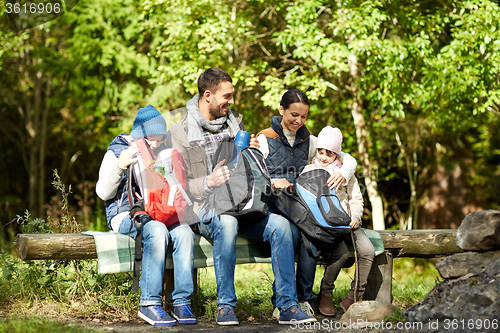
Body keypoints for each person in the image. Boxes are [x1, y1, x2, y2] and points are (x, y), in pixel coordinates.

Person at [167, 68, 316, 326]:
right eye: (227, 96)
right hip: (205, 208)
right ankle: (225, 306)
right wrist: (207, 181)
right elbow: (177, 186)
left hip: (242, 203)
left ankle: (287, 306)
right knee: (227, 223)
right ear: (208, 95)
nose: (232, 101)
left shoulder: (236, 122)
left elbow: (247, 168)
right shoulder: (180, 133)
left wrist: (252, 153)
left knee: (282, 226)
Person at [256, 89, 358, 317]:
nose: (298, 121)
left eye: (303, 116)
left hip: (301, 207)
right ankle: (282, 300)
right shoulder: (264, 138)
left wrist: (346, 172)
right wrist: (273, 182)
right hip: (274, 206)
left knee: (310, 238)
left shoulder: (309, 140)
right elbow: (253, 173)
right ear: (281, 110)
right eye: (294, 115)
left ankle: (303, 299)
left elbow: (346, 156)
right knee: (291, 234)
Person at [96, 105, 196, 326]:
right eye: (153, 139)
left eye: (161, 139)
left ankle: (181, 301)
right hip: (124, 214)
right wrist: (120, 166)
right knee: (157, 230)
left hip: (158, 212)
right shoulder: (118, 150)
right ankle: (149, 303)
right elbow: (103, 192)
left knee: (185, 232)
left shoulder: (161, 152)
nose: (157, 144)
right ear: (140, 135)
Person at [300, 126, 375, 316]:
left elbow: (356, 198)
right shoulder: (310, 170)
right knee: (340, 252)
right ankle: (325, 294)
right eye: (320, 151)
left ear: (337, 153)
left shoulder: (345, 173)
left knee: (367, 250)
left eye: (330, 153)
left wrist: (356, 217)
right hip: (326, 224)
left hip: (348, 221)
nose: (324, 157)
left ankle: (354, 296)